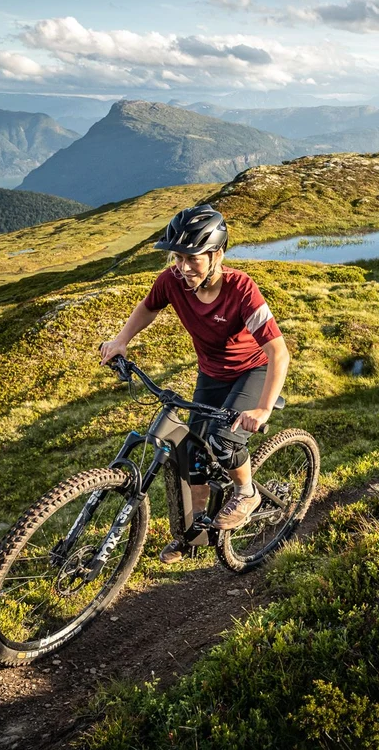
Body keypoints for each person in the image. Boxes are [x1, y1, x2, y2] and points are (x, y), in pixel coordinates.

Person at [99, 204, 290, 563]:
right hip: (212, 373)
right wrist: (121, 340)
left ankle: (247, 492)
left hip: (253, 370)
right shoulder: (171, 281)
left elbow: (279, 352)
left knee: (224, 440)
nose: (183, 267)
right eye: (177, 257)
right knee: (192, 455)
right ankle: (194, 534)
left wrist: (262, 408)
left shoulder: (241, 289)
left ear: (216, 255)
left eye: (193, 258)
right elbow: (148, 308)